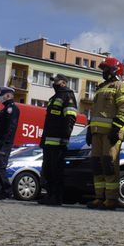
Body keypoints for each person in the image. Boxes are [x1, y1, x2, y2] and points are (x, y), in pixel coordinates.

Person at [86, 57, 124, 210]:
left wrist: (116, 128)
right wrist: (89, 130)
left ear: (114, 70)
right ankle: (99, 197)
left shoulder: (121, 86)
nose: (103, 72)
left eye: (106, 69)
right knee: (97, 164)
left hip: (110, 133)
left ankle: (111, 199)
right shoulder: (101, 87)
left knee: (109, 164)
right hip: (97, 133)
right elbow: (94, 111)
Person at [39, 74, 78, 206]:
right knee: (48, 170)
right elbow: (48, 122)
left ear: (63, 83)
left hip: (59, 141)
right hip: (49, 141)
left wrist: (65, 136)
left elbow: (70, 118)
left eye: (56, 81)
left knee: (56, 171)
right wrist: (43, 140)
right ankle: (50, 195)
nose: (53, 83)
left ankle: (57, 197)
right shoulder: (54, 98)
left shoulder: (68, 96)